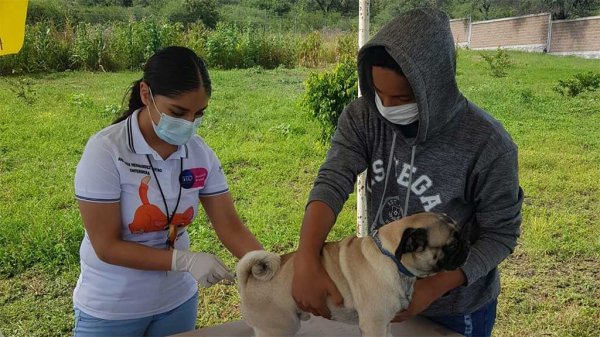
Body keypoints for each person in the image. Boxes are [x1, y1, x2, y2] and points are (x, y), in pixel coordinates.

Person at [291, 8, 523, 337]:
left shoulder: (487, 145)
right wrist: (306, 258)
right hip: (382, 291)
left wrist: (433, 287)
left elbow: (501, 234)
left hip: (455, 307)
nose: (386, 105)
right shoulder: (364, 116)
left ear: (435, 88)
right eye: (378, 92)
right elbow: (332, 181)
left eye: (401, 97)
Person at [73, 46, 262, 337]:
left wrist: (270, 269)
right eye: (178, 112)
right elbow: (106, 245)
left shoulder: (199, 153)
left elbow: (231, 228)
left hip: (176, 303)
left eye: (199, 114)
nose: (188, 124)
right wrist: (184, 260)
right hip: (112, 308)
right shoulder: (107, 151)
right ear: (146, 94)